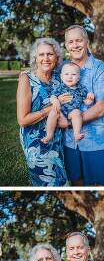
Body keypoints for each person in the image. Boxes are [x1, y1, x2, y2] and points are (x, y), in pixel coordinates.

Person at [62, 25, 104, 186]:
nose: (75, 45)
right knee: (77, 182)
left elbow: (100, 108)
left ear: (87, 42)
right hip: (69, 142)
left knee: (101, 186)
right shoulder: (63, 69)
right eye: (71, 42)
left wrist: (69, 123)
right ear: (66, 45)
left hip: (96, 141)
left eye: (79, 40)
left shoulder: (100, 68)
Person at [16, 37, 71, 186]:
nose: (46, 58)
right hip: (36, 143)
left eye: (50, 54)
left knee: (63, 180)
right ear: (35, 57)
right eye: (41, 55)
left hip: (59, 140)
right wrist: (51, 108)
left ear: (57, 57)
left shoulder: (59, 79)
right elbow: (22, 120)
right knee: (48, 182)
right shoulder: (26, 79)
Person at [44, 63, 94, 144]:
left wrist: (90, 98)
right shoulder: (60, 87)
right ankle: (49, 135)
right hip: (60, 110)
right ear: (61, 76)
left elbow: (86, 102)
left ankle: (76, 133)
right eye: (66, 74)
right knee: (53, 113)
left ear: (78, 78)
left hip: (72, 111)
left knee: (77, 113)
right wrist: (55, 100)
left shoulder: (81, 88)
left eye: (73, 74)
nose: (70, 77)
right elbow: (52, 97)